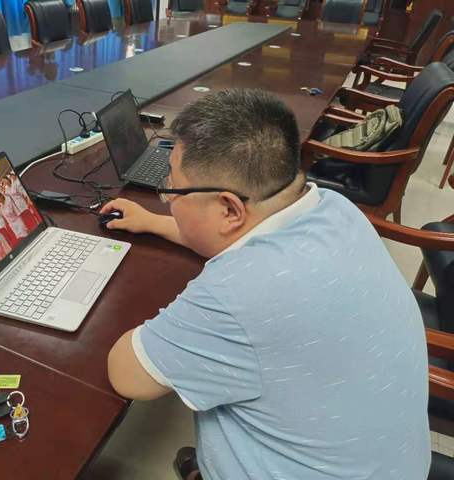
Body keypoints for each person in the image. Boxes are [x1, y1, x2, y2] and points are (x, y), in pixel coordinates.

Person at [103, 89, 430, 480]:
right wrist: (154, 222)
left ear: (229, 209)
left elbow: (128, 376)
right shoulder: (333, 207)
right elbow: (233, 235)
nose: (166, 199)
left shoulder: (238, 294)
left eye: (172, 190)